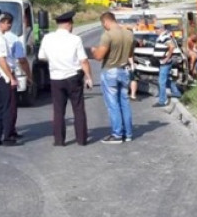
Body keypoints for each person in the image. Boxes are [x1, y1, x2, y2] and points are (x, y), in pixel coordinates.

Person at [38, 10, 93, 146]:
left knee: (58, 110)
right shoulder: (75, 39)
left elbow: (41, 57)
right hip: (73, 76)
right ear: (69, 24)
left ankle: (59, 140)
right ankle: (81, 139)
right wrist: (88, 77)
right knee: (78, 109)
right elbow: (83, 60)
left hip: (56, 77)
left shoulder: (47, 38)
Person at [91, 11, 134, 144]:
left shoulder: (107, 35)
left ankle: (117, 134)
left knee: (113, 105)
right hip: (124, 70)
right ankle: (128, 134)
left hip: (110, 71)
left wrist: (94, 50)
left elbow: (99, 57)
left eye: (103, 24)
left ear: (106, 22)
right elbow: (131, 53)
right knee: (125, 103)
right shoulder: (129, 34)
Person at [154, 29, 182, 107]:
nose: (155, 31)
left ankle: (163, 100)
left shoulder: (165, 37)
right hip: (165, 61)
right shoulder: (164, 36)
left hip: (165, 62)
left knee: (161, 81)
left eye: (156, 29)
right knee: (168, 79)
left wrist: (166, 58)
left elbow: (172, 47)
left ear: (159, 29)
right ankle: (176, 92)